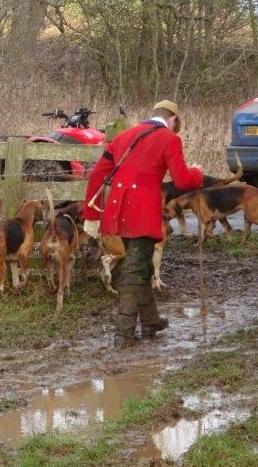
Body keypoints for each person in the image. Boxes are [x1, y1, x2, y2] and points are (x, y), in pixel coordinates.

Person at [82, 101, 203, 348]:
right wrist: (197, 173)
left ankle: (151, 322)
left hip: (118, 209)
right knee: (134, 270)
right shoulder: (170, 139)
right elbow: (182, 180)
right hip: (143, 212)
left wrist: (92, 215)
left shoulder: (124, 136)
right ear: (173, 120)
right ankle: (123, 334)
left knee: (141, 265)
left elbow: (97, 175)